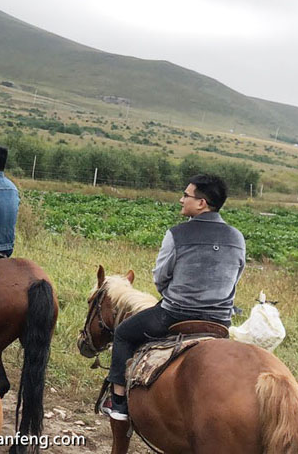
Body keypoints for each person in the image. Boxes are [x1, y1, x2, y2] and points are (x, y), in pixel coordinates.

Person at [100, 174, 246, 422]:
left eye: (186, 195)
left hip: (174, 315)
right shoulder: (237, 237)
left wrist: (175, 296)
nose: (181, 199)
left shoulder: (177, 234)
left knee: (123, 333)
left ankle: (120, 402)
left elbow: (160, 277)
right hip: (220, 322)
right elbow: (236, 276)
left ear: (201, 203)